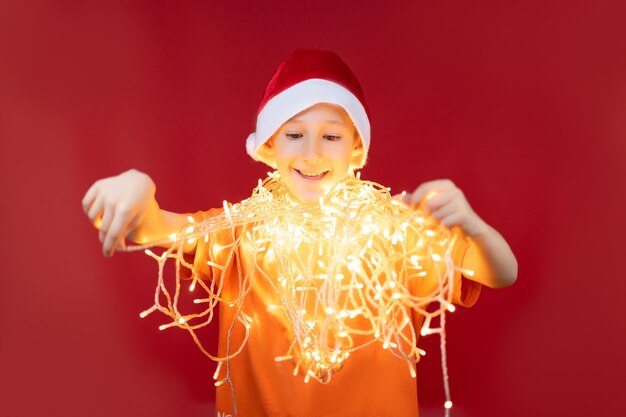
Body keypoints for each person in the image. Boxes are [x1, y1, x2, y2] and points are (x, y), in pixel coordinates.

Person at [82, 49, 517, 417]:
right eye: (294, 134)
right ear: (270, 146)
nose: (311, 153)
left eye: (331, 135)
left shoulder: (394, 230)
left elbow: (502, 273)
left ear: (356, 148)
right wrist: (137, 187)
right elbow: (152, 227)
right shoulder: (241, 231)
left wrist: (473, 225)